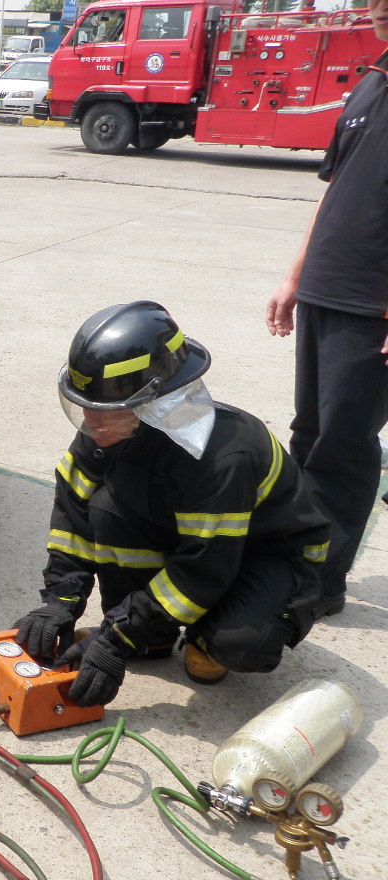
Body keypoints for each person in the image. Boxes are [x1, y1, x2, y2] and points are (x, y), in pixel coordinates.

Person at [14, 302, 330, 707]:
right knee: (106, 509)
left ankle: (207, 635)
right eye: (87, 408)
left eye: (105, 412)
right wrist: (60, 602)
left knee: (239, 643)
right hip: (206, 545)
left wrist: (117, 636)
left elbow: (204, 567)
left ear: (154, 404)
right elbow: (72, 516)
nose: (91, 423)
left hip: (269, 555)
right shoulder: (108, 430)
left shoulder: (221, 459)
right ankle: (155, 635)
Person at [264, 0, 388, 618]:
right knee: (309, 431)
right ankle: (296, 555)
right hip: (325, 288)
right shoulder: (371, 83)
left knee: (344, 443)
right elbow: (335, 188)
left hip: (374, 306)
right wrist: (296, 276)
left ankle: (321, 582)